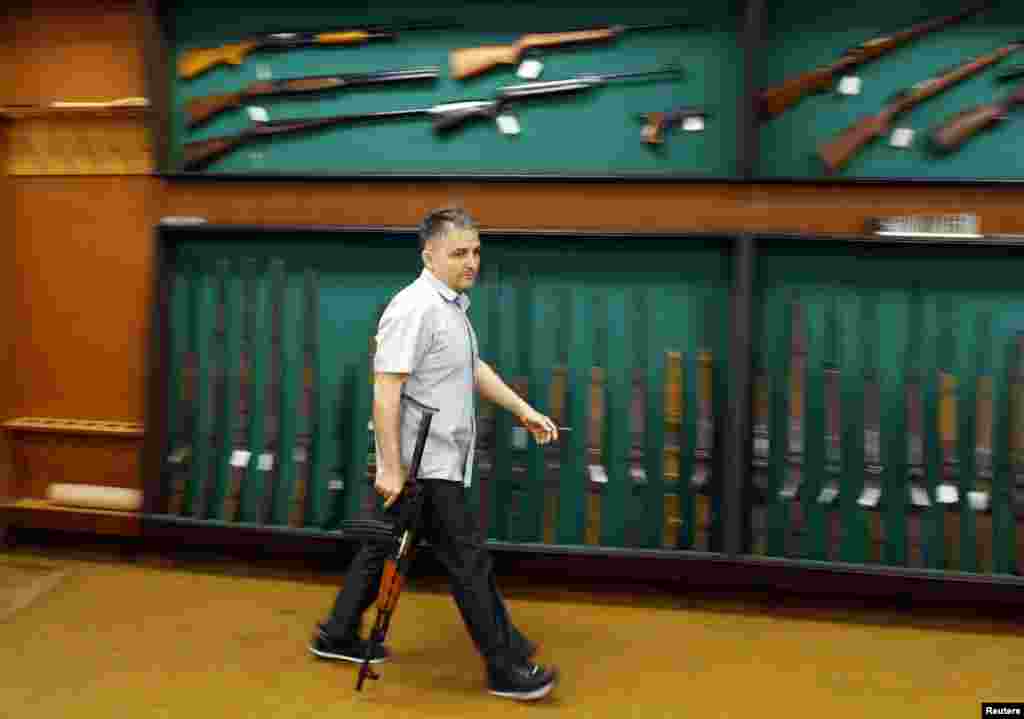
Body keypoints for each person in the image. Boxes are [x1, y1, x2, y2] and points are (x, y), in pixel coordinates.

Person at [310, 206, 561, 701]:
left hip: (434, 461)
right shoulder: (415, 307)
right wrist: (389, 467)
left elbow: (470, 368)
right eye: (459, 253)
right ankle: (504, 666)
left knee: (381, 547)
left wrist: (521, 409)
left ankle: (337, 634)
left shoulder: (449, 309)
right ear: (429, 255)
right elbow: (386, 389)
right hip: (420, 466)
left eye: (476, 252)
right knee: (468, 562)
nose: (472, 262)